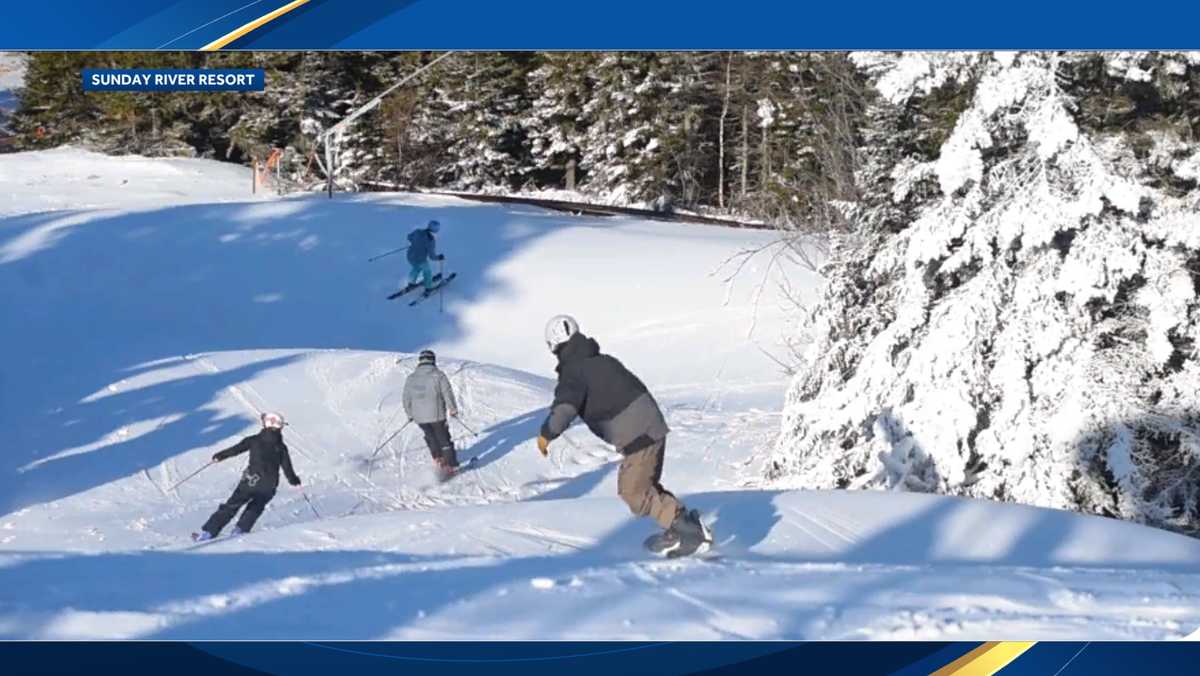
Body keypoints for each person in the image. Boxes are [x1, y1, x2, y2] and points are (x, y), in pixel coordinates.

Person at [536, 315, 712, 557]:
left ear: (553, 344)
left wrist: (546, 434)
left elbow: (566, 407)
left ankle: (690, 531)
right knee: (646, 487)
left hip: (638, 436)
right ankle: (679, 527)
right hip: (652, 427)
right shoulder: (601, 360)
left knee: (633, 492)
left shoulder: (574, 371)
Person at [195, 412, 301, 541]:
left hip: (251, 481)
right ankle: (240, 530)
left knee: (232, 505)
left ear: (266, 424)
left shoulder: (254, 440)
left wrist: (220, 456)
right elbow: (287, 468)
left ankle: (209, 532)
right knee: (256, 507)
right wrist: (293, 480)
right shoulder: (281, 447)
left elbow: (236, 449)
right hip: (269, 485)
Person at [403, 349, 460, 475]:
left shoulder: (411, 378)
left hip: (419, 418)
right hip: (437, 415)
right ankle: (450, 465)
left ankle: (437, 458)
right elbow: (447, 393)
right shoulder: (439, 375)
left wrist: (410, 414)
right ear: (433, 360)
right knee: (443, 438)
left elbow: (406, 398)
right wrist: (453, 409)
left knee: (430, 437)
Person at [405, 219, 445, 297]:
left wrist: (414, 242)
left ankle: (411, 283)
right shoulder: (431, 241)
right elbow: (432, 256)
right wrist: (439, 257)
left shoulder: (417, 231)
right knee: (427, 272)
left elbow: (409, 237)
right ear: (436, 230)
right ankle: (428, 288)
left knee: (416, 268)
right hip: (420, 259)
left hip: (410, 256)